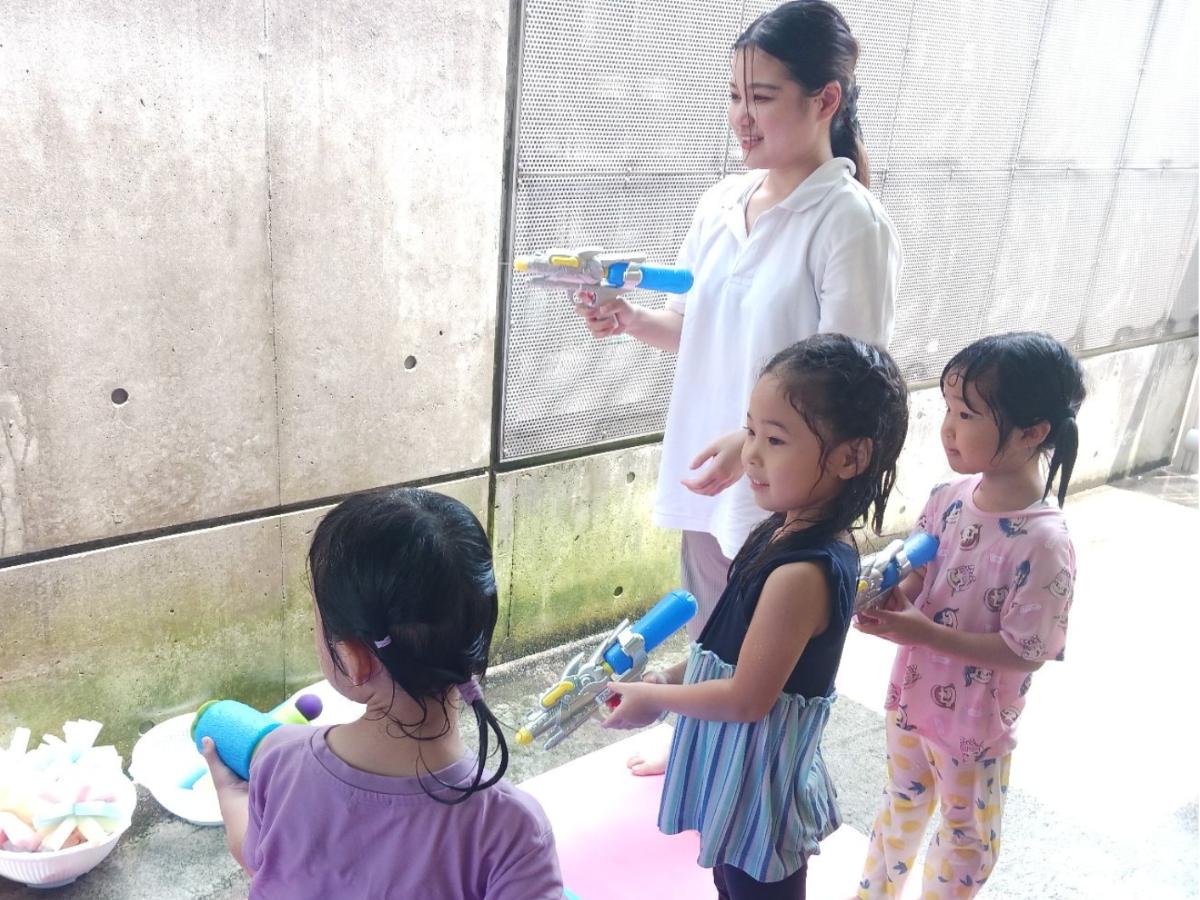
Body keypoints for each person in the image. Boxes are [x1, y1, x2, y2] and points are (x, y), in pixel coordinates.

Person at [573, 0, 902, 774]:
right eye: (733, 95)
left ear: (825, 99)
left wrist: (749, 443)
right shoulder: (721, 202)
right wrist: (629, 318)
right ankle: (693, 740)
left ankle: (743, 772)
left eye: (762, 97)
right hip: (710, 455)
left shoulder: (850, 222)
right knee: (709, 616)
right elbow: (692, 325)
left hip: (783, 475)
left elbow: (850, 382)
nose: (741, 118)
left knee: (763, 640)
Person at [602, 334, 910, 900]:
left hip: (758, 781)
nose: (750, 454)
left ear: (850, 458)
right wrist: (670, 675)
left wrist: (658, 699)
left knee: (754, 886)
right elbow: (731, 649)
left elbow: (748, 698)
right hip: (735, 768)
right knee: (729, 878)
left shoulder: (803, 573)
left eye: (775, 439)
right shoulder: (778, 529)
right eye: (749, 431)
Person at [201, 488, 563, 900]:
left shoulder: (280, 760)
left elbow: (263, 861)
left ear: (353, 657)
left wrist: (230, 793)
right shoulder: (511, 831)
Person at [852, 332, 1087, 899]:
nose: (948, 428)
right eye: (948, 410)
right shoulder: (948, 497)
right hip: (911, 699)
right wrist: (888, 600)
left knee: (965, 842)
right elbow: (918, 576)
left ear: (1032, 432)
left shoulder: (1045, 543)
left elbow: (1025, 650)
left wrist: (924, 631)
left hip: (975, 727)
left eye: (966, 414)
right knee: (899, 808)